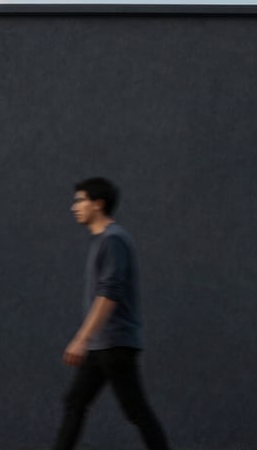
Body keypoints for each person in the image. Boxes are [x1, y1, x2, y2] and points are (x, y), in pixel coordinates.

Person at [52, 177, 173, 450]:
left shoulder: (113, 240)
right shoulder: (102, 241)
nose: (75, 207)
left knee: (136, 411)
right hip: (103, 344)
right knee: (75, 402)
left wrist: (82, 338)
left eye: (81, 200)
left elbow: (109, 294)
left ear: (99, 204)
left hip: (114, 343)